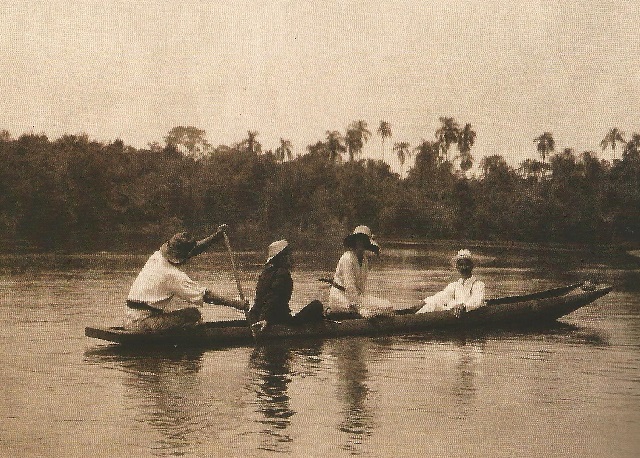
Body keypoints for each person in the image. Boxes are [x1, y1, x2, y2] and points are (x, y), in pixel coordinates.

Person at [124, 225, 247, 332]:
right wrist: (237, 304)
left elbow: (192, 250)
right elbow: (206, 296)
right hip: (143, 323)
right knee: (193, 314)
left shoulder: (156, 257)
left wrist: (216, 237)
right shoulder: (173, 275)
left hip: (130, 319)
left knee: (176, 309)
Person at [249, 240, 324, 333]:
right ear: (282, 257)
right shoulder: (283, 274)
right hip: (278, 319)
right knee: (317, 305)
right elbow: (274, 298)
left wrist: (254, 317)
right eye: (288, 255)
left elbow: (260, 299)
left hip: (259, 316)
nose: (291, 258)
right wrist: (265, 319)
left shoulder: (265, 273)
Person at [327, 225, 394, 318]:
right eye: (359, 240)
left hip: (356, 298)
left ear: (367, 244)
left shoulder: (364, 260)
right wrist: (360, 309)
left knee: (387, 305)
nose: (361, 244)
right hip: (340, 298)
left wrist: (364, 303)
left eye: (364, 241)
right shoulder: (347, 258)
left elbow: (361, 289)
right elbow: (350, 287)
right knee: (372, 311)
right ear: (355, 242)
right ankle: (344, 313)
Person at [416, 249, 486, 317]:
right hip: (454, 313)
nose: (464, 268)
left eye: (467, 264)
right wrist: (425, 301)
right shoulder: (455, 285)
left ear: (471, 266)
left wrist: (463, 306)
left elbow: (477, 301)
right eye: (461, 265)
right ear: (457, 267)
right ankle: (414, 318)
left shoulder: (478, 285)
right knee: (432, 304)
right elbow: (441, 296)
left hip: (467, 314)